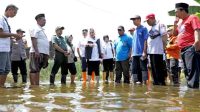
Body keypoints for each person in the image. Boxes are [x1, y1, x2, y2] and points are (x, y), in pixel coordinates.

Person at [173, 3, 200, 88]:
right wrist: (175, 25)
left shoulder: (192, 18)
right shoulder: (181, 22)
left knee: (192, 70)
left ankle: (194, 92)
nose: (176, 14)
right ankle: (190, 90)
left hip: (190, 47)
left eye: (176, 12)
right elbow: (174, 34)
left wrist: (197, 41)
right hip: (182, 49)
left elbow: (197, 29)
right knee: (186, 70)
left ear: (182, 10)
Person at [0, 4, 22, 87]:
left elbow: (5, 35)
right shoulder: (1, 19)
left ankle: (2, 86)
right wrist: (14, 34)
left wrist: (13, 38)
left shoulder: (5, 20)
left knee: (7, 69)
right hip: (1, 49)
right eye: (14, 12)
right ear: (9, 9)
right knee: (1, 70)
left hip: (6, 49)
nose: (15, 14)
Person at [145, 13, 168, 85]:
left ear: (152, 19)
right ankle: (156, 83)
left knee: (158, 69)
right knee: (153, 68)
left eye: (148, 21)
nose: (147, 23)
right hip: (151, 51)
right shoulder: (151, 27)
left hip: (158, 51)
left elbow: (164, 36)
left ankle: (161, 84)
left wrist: (164, 47)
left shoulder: (160, 25)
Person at [29, 13, 49, 85]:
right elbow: (33, 39)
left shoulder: (41, 29)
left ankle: (37, 86)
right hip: (36, 52)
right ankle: (33, 87)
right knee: (34, 70)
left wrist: (46, 54)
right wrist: (36, 51)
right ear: (38, 20)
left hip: (42, 53)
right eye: (44, 20)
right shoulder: (35, 28)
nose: (45, 21)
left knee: (38, 70)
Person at [130, 15, 149, 84]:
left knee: (143, 68)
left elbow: (145, 40)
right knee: (134, 69)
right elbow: (133, 43)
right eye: (133, 20)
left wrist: (144, 51)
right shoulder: (135, 31)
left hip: (141, 53)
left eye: (134, 20)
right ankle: (135, 83)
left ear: (139, 20)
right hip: (134, 54)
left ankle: (144, 83)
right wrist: (132, 53)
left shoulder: (144, 29)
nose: (133, 21)